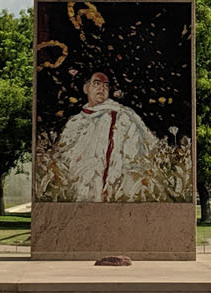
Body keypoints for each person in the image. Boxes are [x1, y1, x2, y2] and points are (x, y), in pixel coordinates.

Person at [54, 71, 160, 202]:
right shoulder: (74, 122)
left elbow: (135, 151)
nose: (102, 88)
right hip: (80, 188)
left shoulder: (122, 116)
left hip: (114, 187)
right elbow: (63, 155)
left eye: (106, 85)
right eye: (96, 84)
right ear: (86, 88)